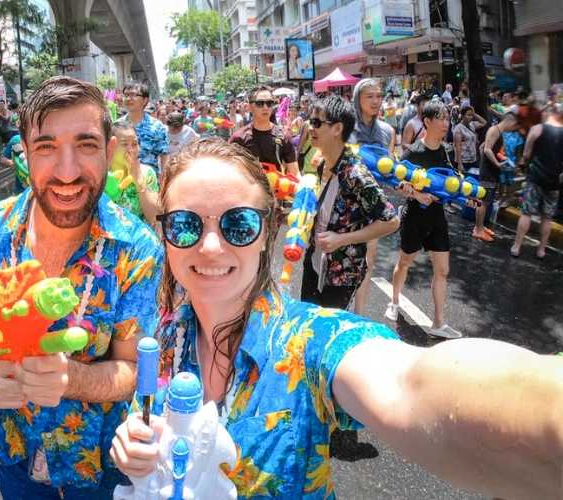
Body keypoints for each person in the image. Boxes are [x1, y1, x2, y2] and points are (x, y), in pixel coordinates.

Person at [109, 137, 563, 500]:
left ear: (268, 232)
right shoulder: (167, 334)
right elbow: (147, 426)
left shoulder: (309, 341)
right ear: (165, 233)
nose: (210, 247)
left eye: (238, 224)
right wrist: (136, 447)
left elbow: (412, 385)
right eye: (186, 225)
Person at [0, 76, 162, 498]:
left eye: (86, 145)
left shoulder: (139, 249)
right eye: (45, 147)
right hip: (12, 455)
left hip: (98, 470)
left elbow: (134, 369)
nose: (67, 171)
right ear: (23, 153)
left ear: (109, 152)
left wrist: (71, 379)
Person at [301, 96, 399, 310]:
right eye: (310, 121)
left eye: (317, 123)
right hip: (314, 264)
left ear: (337, 129)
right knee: (306, 330)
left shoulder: (356, 175)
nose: (311, 128)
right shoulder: (324, 163)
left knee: (329, 336)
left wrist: (342, 239)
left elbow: (391, 221)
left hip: (341, 275)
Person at [386, 101, 472, 339]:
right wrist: (417, 194)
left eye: (447, 119)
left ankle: (438, 322)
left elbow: (449, 183)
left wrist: (467, 197)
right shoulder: (414, 152)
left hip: (437, 218)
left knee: (443, 270)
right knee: (405, 263)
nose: (446, 123)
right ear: (427, 122)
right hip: (415, 217)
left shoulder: (445, 150)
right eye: (441, 119)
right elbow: (397, 182)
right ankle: (394, 302)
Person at [345, 79, 398, 318]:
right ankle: (336, 313)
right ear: (358, 98)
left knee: (366, 261)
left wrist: (407, 186)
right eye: (370, 96)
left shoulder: (387, 131)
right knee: (336, 259)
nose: (376, 101)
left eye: (378, 96)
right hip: (343, 202)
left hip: (372, 207)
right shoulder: (342, 128)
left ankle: (360, 316)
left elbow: (391, 172)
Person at [511, 104, 563, 259]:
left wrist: (524, 162)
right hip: (554, 180)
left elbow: (526, 154)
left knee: (527, 212)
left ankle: (517, 247)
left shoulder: (538, 129)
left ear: (549, 114)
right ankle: (541, 250)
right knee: (546, 217)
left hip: (536, 177)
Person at [229, 85, 299, 177]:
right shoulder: (239, 138)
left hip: (275, 190)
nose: (265, 107)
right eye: (259, 103)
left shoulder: (284, 135)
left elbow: (294, 173)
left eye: (269, 103)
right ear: (249, 107)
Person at [474, 112, 519, 241]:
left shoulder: (498, 132)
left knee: (486, 201)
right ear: (509, 121)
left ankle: (480, 226)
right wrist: (496, 164)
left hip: (490, 171)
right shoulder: (494, 130)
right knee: (483, 201)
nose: (514, 128)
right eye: (514, 125)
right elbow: (487, 149)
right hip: (488, 172)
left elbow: (484, 147)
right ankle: (478, 230)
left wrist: (499, 159)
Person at [109, 121, 160, 225]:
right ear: (111, 146)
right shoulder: (101, 174)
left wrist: (138, 181)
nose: (131, 149)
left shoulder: (147, 173)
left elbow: (155, 218)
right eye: (124, 144)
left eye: (135, 144)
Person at [120, 82, 170, 180]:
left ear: (145, 100)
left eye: (133, 95)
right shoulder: (117, 126)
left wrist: (166, 181)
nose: (128, 98)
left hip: (149, 183)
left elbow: (164, 156)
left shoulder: (157, 126)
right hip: (121, 185)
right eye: (126, 95)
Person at [452, 106, 486, 174]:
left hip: (473, 159)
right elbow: (457, 146)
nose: (470, 117)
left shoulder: (472, 125)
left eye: (471, 115)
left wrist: (474, 113)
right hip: (463, 160)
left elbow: (484, 122)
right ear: (462, 116)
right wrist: (460, 164)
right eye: (468, 115)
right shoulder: (458, 129)